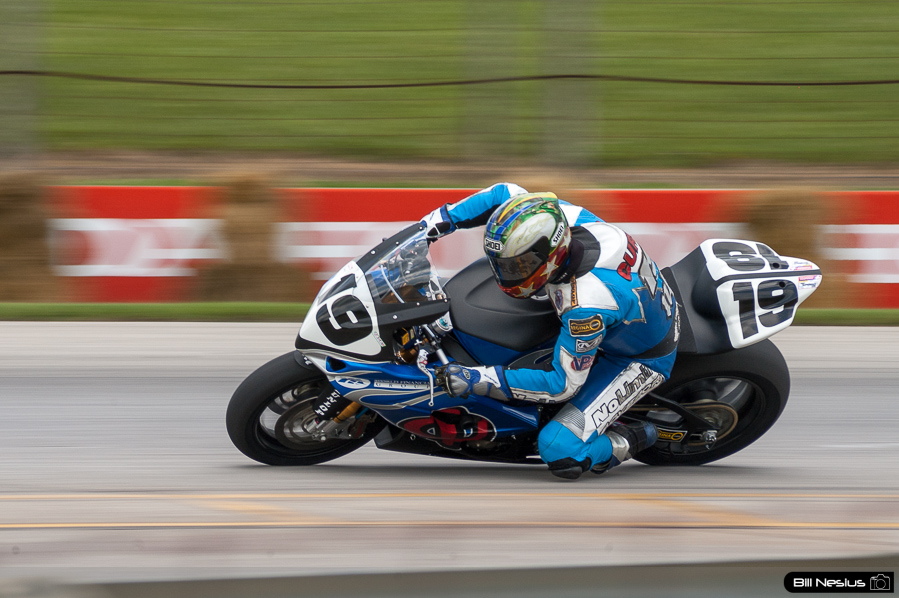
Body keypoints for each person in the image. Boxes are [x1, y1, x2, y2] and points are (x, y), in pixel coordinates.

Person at [422, 183, 679, 480]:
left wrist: (478, 379)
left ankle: (634, 437)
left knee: (558, 449)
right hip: (632, 305)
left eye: (521, 265)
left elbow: (561, 385)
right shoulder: (561, 219)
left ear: (550, 257)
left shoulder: (584, 305)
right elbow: (503, 194)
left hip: (640, 358)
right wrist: (433, 224)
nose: (507, 273)